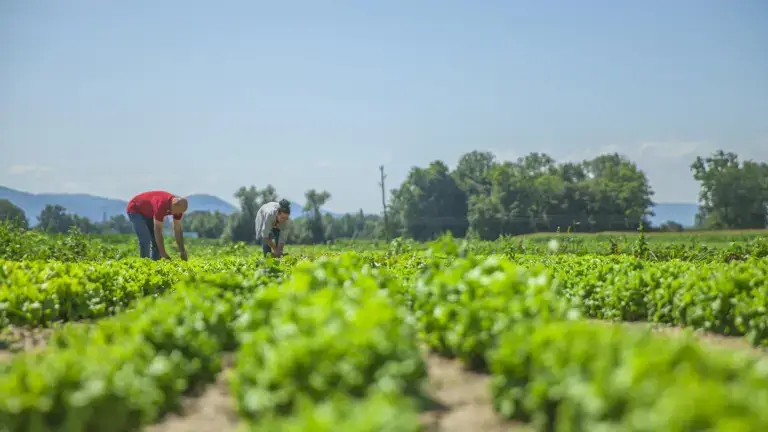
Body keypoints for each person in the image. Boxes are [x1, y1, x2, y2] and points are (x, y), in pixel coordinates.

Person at [126, 190, 189, 260]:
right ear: (174, 205)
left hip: (149, 213)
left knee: (156, 242)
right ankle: (144, 263)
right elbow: (158, 231)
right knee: (145, 239)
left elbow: (177, 229)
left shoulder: (178, 209)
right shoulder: (161, 205)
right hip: (135, 209)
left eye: (180, 212)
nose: (178, 214)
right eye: (177, 212)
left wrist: (182, 251)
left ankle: (155, 264)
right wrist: (164, 254)